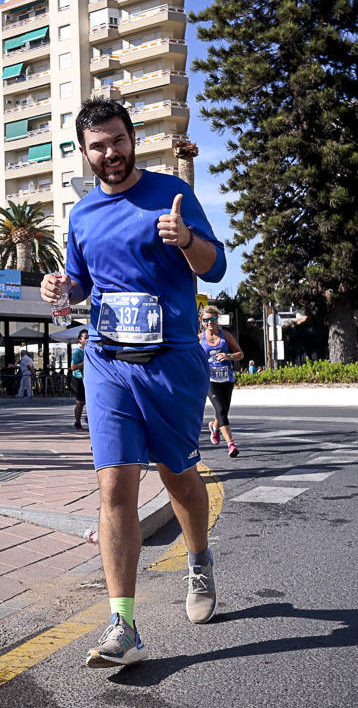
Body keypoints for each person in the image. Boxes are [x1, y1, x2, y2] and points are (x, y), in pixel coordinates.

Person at [42, 97, 226, 669]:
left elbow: (214, 267)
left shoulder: (171, 193)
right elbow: (79, 284)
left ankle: (198, 557)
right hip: (106, 359)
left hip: (171, 359)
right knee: (114, 483)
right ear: (84, 152)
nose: (110, 153)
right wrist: (61, 291)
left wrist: (185, 238)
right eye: (97, 145)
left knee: (178, 475)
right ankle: (122, 621)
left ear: (132, 138)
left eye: (117, 140)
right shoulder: (82, 215)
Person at [199, 305, 241, 458]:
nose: (210, 322)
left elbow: (240, 353)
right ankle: (231, 444)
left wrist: (229, 356)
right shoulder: (199, 339)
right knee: (222, 411)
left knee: (222, 411)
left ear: (217, 319)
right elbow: (192, 359)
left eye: (213, 319)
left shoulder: (225, 336)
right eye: (206, 320)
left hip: (227, 379)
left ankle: (214, 426)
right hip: (210, 380)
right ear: (202, 322)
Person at [70, 328, 89, 430]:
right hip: (78, 379)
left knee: (91, 401)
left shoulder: (91, 350)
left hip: (88, 379)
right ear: (80, 340)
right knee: (80, 402)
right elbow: (72, 367)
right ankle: (77, 422)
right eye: (85, 338)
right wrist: (84, 363)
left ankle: (88, 417)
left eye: (89, 338)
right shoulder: (77, 352)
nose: (87, 340)